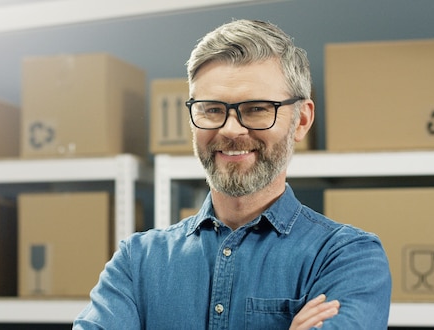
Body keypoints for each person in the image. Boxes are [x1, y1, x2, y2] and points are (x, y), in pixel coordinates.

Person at [73, 19, 391, 329]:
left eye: (256, 109)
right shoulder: (137, 262)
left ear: (302, 120)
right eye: (211, 109)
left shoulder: (347, 258)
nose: (231, 129)